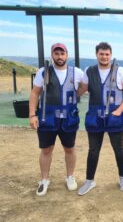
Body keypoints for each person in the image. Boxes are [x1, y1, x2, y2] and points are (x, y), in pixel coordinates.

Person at [77, 42, 123, 195]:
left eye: (107, 54)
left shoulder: (121, 71)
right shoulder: (89, 71)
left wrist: (120, 110)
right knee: (93, 150)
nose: (104, 57)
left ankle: (122, 178)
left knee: (119, 149)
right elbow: (81, 90)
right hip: (95, 118)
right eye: (101, 54)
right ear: (96, 54)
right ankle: (89, 181)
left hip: (114, 118)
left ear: (111, 54)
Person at [29, 43, 83, 196]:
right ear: (52, 55)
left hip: (69, 118)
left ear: (67, 55)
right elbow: (35, 93)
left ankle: (70, 176)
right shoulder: (43, 71)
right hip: (48, 117)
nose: (59, 57)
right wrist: (32, 115)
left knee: (69, 148)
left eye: (62, 53)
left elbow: (84, 88)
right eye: (56, 53)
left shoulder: (77, 72)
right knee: (46, 150)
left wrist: (75, 95)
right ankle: (44, 179)